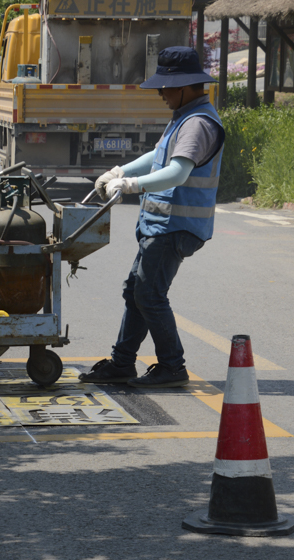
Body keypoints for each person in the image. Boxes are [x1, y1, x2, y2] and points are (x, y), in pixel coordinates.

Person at [80, 46, 225, 388]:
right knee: (137, 291)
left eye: (165, 87)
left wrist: (130, 185)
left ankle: (172, 367)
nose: (160, 94)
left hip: (176, 227)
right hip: (161, 224)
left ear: (184, 87)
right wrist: (119, 170)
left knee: (148, 295)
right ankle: (122, 363)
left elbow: (177, 173)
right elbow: (157, 156)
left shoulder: (198, 123)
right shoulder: (185, 117)